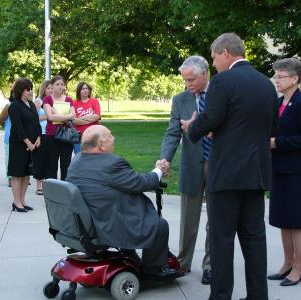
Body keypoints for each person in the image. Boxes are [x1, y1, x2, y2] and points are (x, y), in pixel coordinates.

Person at [181, 33, 277, 300]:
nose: (213, 64)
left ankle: (220, 296)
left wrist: (192, 127)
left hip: (225, 175)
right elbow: (270, 127)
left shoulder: (223, 81)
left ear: (225, 53)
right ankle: (258, 296)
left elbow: (210, 118)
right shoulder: (266, 84)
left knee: (222, 241)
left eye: (213, 58)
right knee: (254, 240)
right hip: (256, 174)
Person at [66, 125, 179, 278]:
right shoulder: (111, 163)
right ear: (100, 144)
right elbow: (139, 183)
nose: (114, 139)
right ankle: (153, 269)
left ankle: (129, 254)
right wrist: (158, 170)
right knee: (159, 225)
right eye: (110, 136)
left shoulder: (77, 160)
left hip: (88, 221)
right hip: (106, 224)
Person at [160, 55, 212, 284]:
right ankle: (183, 261)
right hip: (191, 165)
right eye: (185, 80)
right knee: (188, 218)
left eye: (191, 79)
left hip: (219, 165)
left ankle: (211, 265)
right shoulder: (180, 100)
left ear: (205, 74)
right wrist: (165, 159)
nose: (187, 84)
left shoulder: (220, 95)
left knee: (217, 219)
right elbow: (173, 132)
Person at [268, 58, 301, 286]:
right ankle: (288, 263)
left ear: (294, 79)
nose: (276, 80)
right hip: (278, 169)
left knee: (297, 221)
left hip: (296, 171)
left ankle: (299, 268)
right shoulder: (279, 102)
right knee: (283, 219)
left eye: (280, 76)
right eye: (276, 76)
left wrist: (278, 143)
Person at [7, 78, 41, 212]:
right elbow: (18, 127)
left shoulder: (32, 104)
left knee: (27, 174)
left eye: (31, 88)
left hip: (33, 144)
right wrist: (28, 142)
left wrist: (38, 138)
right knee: (17, 173)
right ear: (21, 91)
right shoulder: (14, 106)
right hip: (19, 144)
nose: (31, 91)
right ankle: (16, 202)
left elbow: (36, 123)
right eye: (28, 89)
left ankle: (22, 200)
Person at [43, 75, 76, 180]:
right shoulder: (47, 99)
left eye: (62, 84)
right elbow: (50, 117)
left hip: (66, 135)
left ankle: (64, 190)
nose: (60, 86)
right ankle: (52, 190)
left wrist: (59, 116)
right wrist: (67, 117)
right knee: (51, 164)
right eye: (57, 84)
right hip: (52, 135)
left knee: (66, 164)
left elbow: (73, 116)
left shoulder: (69, 99)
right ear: (52, 86)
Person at [33, 80, 52, 194]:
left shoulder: (54, 101)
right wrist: (49, 116)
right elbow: (33, 118)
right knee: (40, 160)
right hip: (41, 134)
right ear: (43, 89)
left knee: (50, 160)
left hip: (52, 134)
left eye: (51, 88)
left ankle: (49, 184)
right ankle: (39, 186)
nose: (50, 90)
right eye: (48, 88)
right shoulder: (38, 101)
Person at [72, 81, 101, 154]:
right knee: (79, 157)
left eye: (87, 88)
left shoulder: (94, 101)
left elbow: (96, 116)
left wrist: (81, 118)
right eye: (83, 89)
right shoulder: (74, 103)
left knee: (93, 157)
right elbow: (74, 121)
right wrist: (90, 119)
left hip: (93, 135)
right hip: (79, 136)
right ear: (79, 91)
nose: (85, 90)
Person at [0, 91, 15, 187]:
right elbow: (0, 120)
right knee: (9, 158)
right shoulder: (8, 106)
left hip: (23, 137)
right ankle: (10, 178)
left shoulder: (27, 105)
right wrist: (7, 128)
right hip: (10, 137)